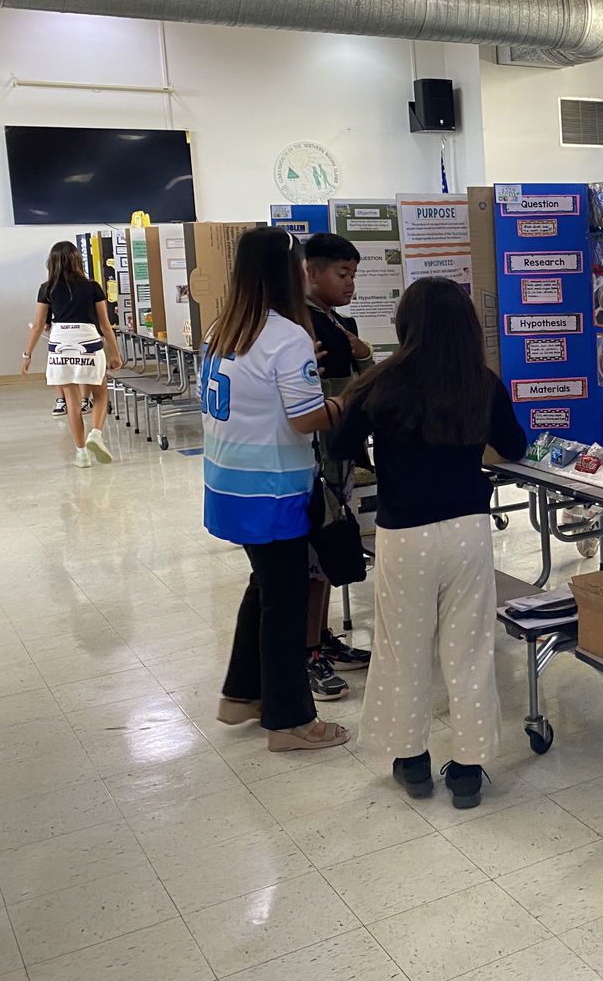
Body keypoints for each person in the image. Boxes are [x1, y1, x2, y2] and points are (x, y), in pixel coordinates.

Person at [330, 277, 526, 808]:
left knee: (403, 647)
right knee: (468, 648)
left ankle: (411, 761)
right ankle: (467, 769)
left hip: (403, 532)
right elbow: (513, 446)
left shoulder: (380, 382)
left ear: (404, 323)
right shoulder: (480, 382)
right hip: (467, 529)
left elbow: (341, 445)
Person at [205, 226, 349, 753]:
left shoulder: (223, 329)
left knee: (264, 586)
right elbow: (307, 418)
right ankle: (291, 721)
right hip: (274, 492)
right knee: (286, 602)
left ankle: (242, 694)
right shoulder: (286, 337)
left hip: (228, 484)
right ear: (288, 272)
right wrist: (347, 400)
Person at [301, 232, 374, 700]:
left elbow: (359, 386)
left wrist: (363, 354)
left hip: (340, 454)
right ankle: (307, 650)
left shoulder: (335, 321)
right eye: (341, 274)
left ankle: (323, 638)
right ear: (310, 272)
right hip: (314, 457)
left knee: (328, 556)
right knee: (313, 559)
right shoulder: (299, 326)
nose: (349, 284)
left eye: (353, 275)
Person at [19, 242, 121, 467]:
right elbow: (105, 323)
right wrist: (115, 353)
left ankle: (81, 453)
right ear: (78, 260)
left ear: (51, 262)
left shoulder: (47, 288)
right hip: (88, 342)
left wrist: (27, 355)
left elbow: (38, 325)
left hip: (60, 345)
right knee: (100, 394)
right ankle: (95, 433)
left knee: (71, 402)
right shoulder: (92, 287)